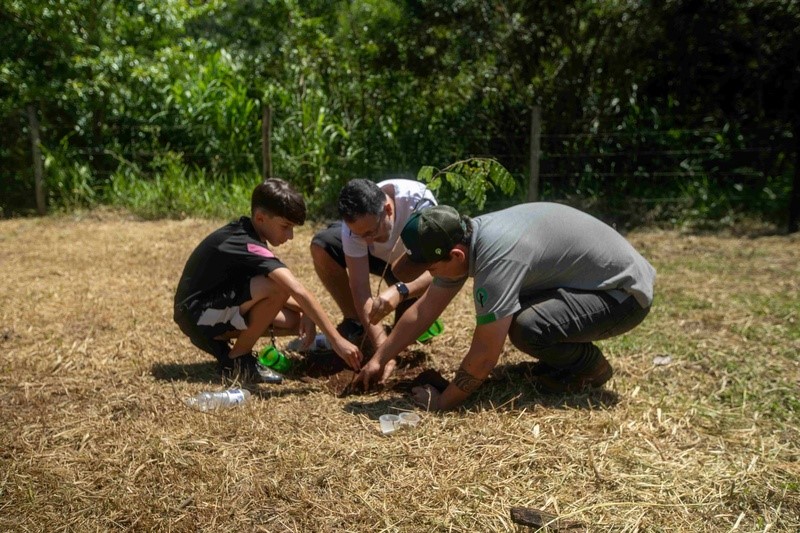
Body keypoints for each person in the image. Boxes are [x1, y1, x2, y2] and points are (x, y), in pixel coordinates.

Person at [356, 203, 656, 410]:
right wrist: (379, 360)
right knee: (513, 313)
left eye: (431, 269)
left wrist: (443, 403)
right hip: (592, 281)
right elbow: (424, 310)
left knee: (527, 326)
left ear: (456, 256)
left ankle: (589, 368)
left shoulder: (497, 260)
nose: (430, 276)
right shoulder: (466, 237)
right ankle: (563, 359)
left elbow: (486, 353)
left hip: (623, 295)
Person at [173, 178, 363, 380]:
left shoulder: (250, 236)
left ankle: (222, 347)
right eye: (285, 226)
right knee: (278, 287)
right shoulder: (245, 243)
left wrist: (307, 312)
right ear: (261, 218)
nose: (290, 236)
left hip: (211, 309)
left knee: (294, 322)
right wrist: (337, 340)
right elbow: (293, 289)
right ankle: (237, 359)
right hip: (195, 316)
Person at [309, 178, 440, 352]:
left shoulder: (420, 207)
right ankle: (356, 323)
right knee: (322, 244)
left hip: (410, 264)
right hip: (378, 260)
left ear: (388, 209)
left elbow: (438, 269)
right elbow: (360, 288)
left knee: (404, 336)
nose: (368, 241)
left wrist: (400, 291)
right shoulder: (355, 228)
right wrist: (381, 348)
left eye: (372, 231)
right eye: (361, 235)